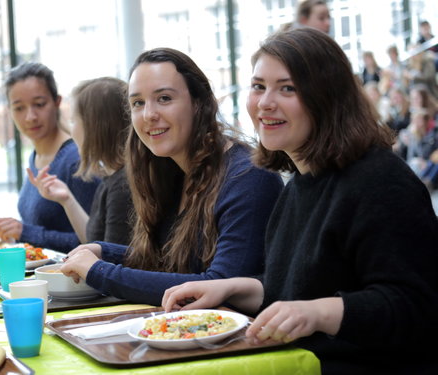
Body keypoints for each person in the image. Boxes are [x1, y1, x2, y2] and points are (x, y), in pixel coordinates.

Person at [162, 28, 438, 375]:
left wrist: (318, 313)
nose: (265, 102)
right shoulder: (300, 183)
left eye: (287, 88)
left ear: (327, 97)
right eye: (259, 86)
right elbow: (297, 290)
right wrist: (230, 288)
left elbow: (414, 306)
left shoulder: (381, 181)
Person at [60, 48, 284, 306]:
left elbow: (216, 284)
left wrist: (100, 271)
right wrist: (104, 251)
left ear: (199, 103)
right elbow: (170, 261)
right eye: (138, 103)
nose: (149, 115)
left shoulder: (248, 177)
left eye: (164, 98)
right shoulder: (169, 170)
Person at [0, 62, 100, 253]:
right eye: (19, 108)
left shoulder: (74, 160)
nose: (30, 117)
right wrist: (6, 228)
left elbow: (98, 242)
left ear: (57, 102)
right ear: (9, 111)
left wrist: (24, 232)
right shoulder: (36, 156)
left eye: (39, 104)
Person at [26, 77, 133, 245]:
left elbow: (110, 260)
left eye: (73, 120)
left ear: (93, 126)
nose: (70, 128)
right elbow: (95, 244)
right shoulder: (112, 178)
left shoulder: (123, 185)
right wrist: (66, 199)